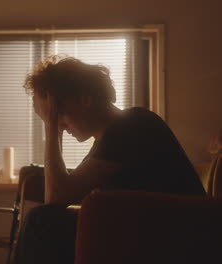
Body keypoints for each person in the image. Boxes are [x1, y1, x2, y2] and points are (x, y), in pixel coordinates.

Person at [14, 56, 205, 264]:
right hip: (154, 233)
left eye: (58, 114)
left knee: (41, 221)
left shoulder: (131, 126)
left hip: (176, 239)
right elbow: (61, 195)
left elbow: (57, 197)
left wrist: (50, 126)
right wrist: (53, 120)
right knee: (46, 221)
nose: (60, 126)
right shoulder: (110, 137)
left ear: (84, 99)